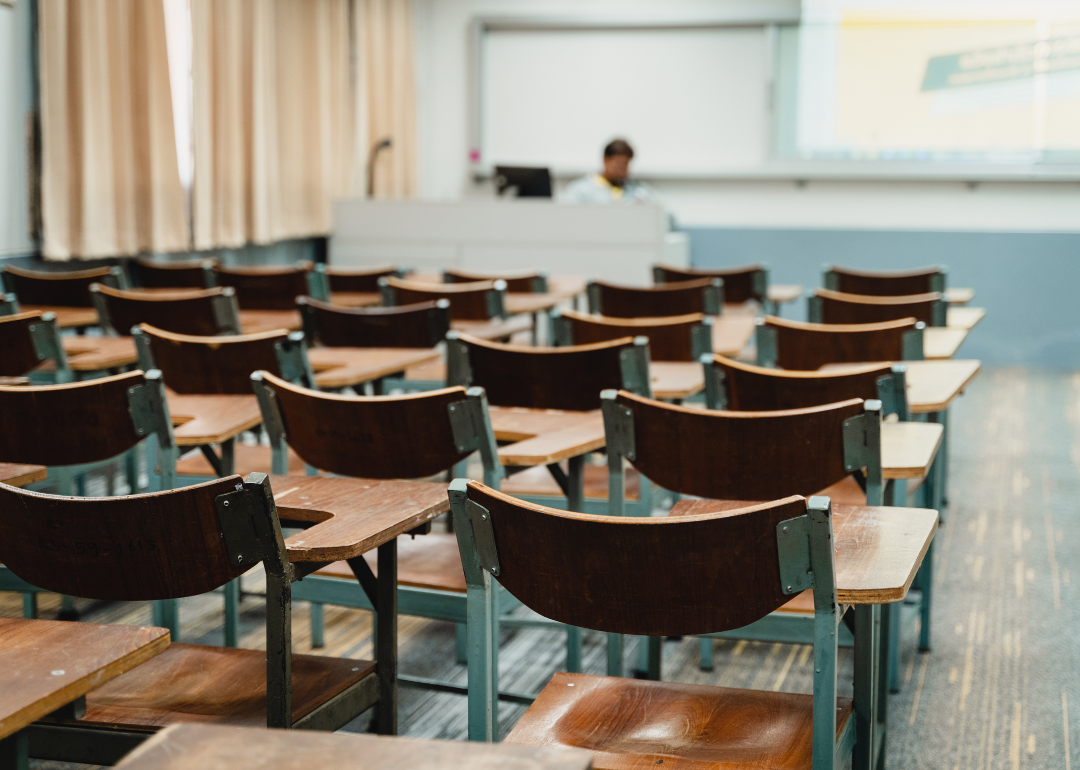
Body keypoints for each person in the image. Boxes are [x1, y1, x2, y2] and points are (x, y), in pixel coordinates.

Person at [563, 139, 654, 203]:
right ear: (605, 160)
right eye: (618, 164)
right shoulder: (580, 191)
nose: (621, 170)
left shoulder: (639, 191)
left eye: (625, 165)